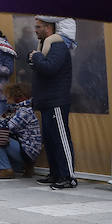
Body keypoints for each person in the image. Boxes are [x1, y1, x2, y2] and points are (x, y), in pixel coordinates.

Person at [28, 16, 76, 189]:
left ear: (48, 28)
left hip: (56, 101)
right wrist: (34, 57)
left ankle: (68, 177)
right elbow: (41, 66)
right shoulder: (44, 45)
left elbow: (50, 67)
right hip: (47, 101)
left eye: (38, 27)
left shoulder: (58, 46)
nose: (35, 30)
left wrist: (37, 57)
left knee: (60, 139)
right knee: (49, 139)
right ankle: (56, 174)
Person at [0, 82, 41, 179]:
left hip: (26, 151)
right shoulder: (13, 110)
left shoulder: (24, 111)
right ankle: (19, 166)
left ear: (18, 97)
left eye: (8, 97)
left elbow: (2, 129)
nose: (6, 99)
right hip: (19, 146)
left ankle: (7, 170)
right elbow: (0, 123)